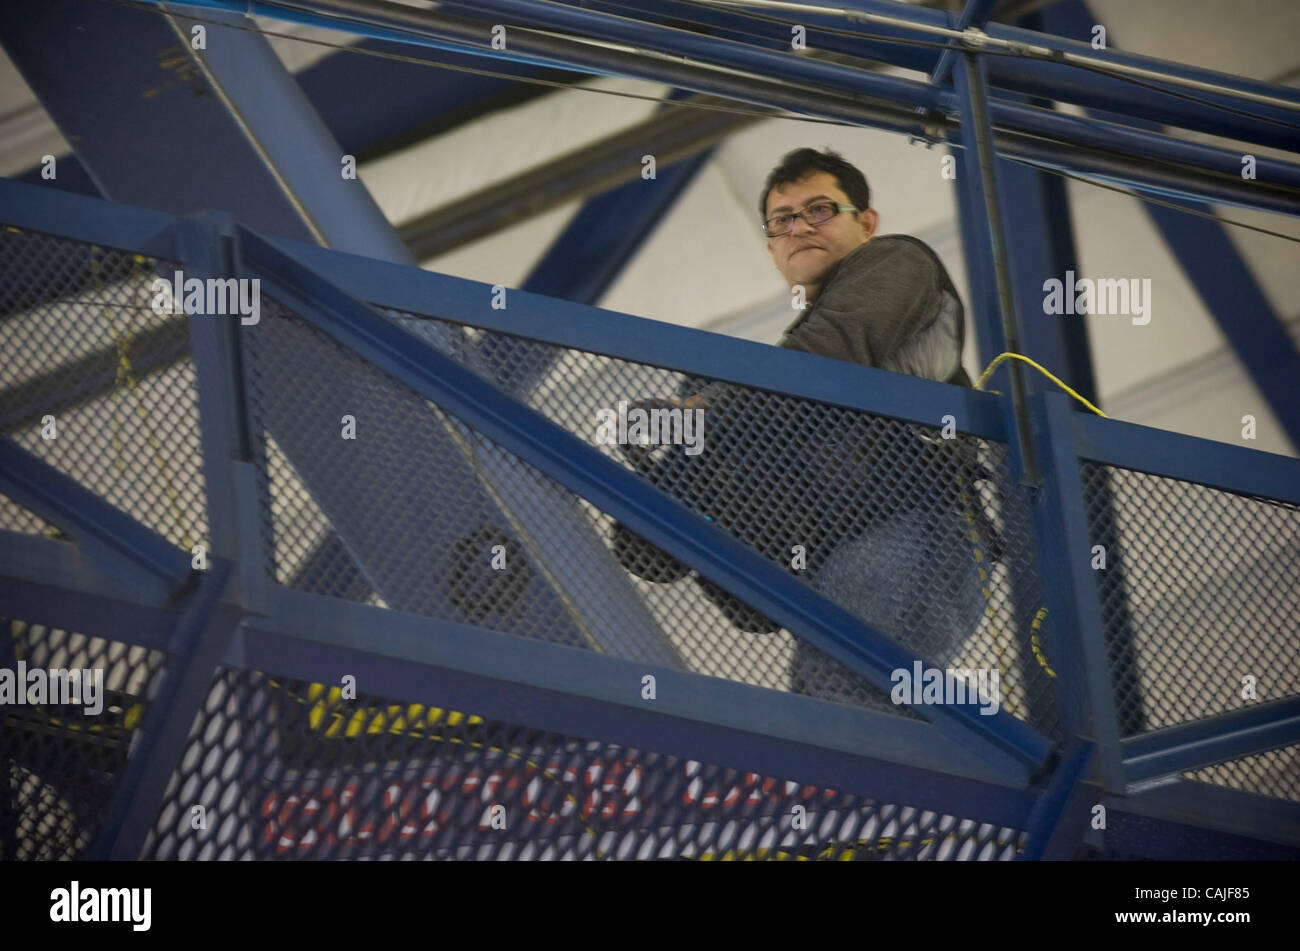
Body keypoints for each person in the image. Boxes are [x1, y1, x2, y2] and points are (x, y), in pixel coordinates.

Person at [613, 147, 995, 709]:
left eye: (819, 210)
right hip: (846, 555)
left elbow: (826, 359)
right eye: (783, 220)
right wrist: (676, 508)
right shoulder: (775, 380)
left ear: (866, 223)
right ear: (772, 249)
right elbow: (743, 599)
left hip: (914, 524)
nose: (799, 228)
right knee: (833, 702)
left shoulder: (899, 263)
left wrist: (699, 413)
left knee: (844, 704)